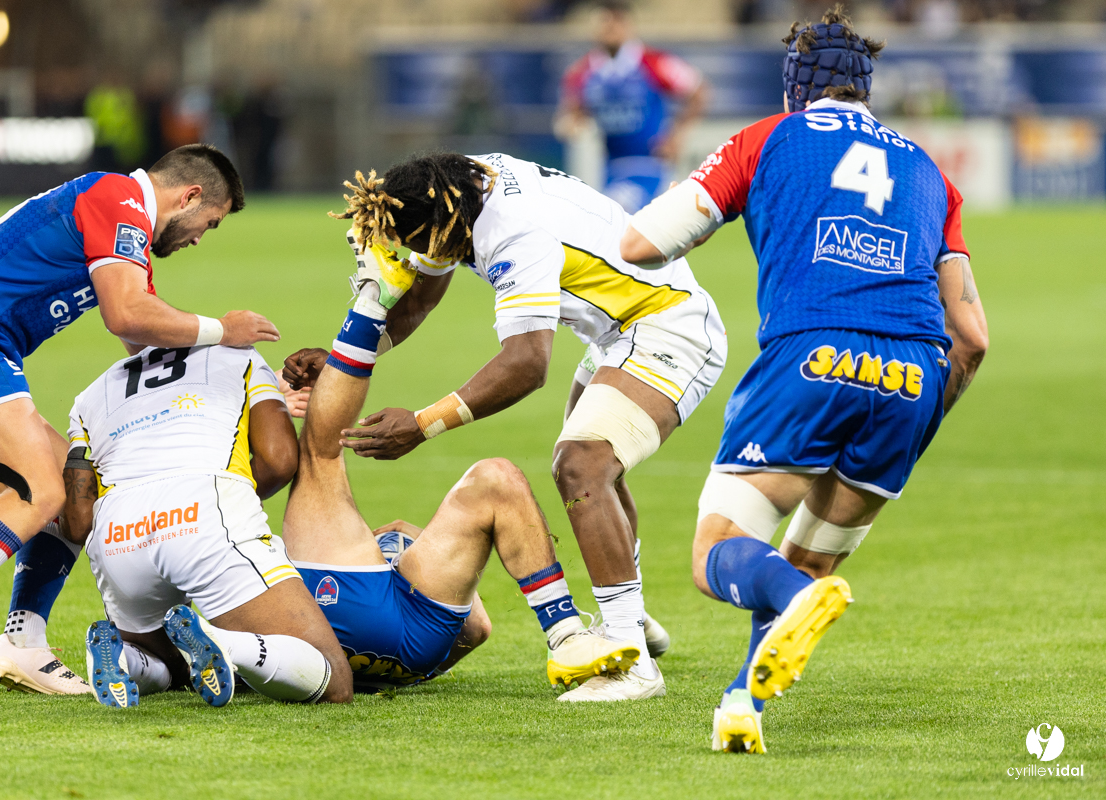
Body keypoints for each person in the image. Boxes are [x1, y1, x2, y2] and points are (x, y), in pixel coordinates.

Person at [619, 5, 989, 752]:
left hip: (812, 357)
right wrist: (914, 414)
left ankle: (797, 602)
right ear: (866, 89)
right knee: (807, 556)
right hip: (914, 377)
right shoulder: (931, 173)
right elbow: (973, 339)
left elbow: (640, 244)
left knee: (719, 552)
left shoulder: (768, 138)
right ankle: (742, 707)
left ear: (795, 87)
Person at [300, 151, 728, 702]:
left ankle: (630, 660)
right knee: (599, 469)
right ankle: (632, 617)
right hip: (617, 329)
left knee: (584, 465)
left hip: (668, 325)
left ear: (445, 223)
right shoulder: (455, 191)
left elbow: (527, 364)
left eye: (420, 242)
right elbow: (420, 298)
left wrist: (423, 424)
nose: (420, 254)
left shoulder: (514, 231)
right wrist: (347, 356)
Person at [0, 144, 280, 703]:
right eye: (211, 222)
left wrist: (261, 387)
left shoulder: (125, 224)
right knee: (40, 488)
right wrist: (223, 330)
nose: (201, 237)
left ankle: (23, 642)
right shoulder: (118, 197)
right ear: (190, 196)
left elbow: (142, 339)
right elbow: (127, 314)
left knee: (74, 492)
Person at [276, 250, 630, 695]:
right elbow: (476, 628)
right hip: (421, 644)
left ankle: (372, 299)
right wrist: (408, 544)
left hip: (339, 626)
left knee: (320, 454)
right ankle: (566, 636)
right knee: (496, 479)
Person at [59, 343, 352, 708]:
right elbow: (279, 461)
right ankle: (223, 641)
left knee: (173, 666)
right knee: (333, 678)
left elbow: (76, 524)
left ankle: (127, 660)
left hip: (117, 534)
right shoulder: (240, 356)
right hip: (204, 511)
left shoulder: (88, 397)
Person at [554, 0, 708, 213]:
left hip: (651, 165)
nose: (610, 28)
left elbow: (697, 90)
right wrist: (572, 123)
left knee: (622, 215)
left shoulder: (653, 62)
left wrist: (676, 137)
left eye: (616, 21)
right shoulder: (582, 72)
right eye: (604, 22)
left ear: (628, 25)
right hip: (611, 167)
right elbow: (572, 112)